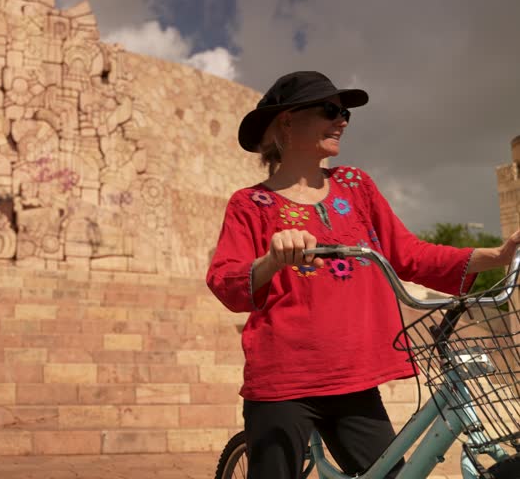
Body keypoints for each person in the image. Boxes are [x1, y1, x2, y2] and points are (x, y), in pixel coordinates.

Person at [206, 71, 520, 478]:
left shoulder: (356, 187)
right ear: (287, 121)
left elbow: (410, 254)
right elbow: (226, 279)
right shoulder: (251, 204)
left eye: (346, 112)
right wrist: (271, 261)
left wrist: (498, 254)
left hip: (354, 378)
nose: (343, 120)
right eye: (331, 110)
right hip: (284, 380)